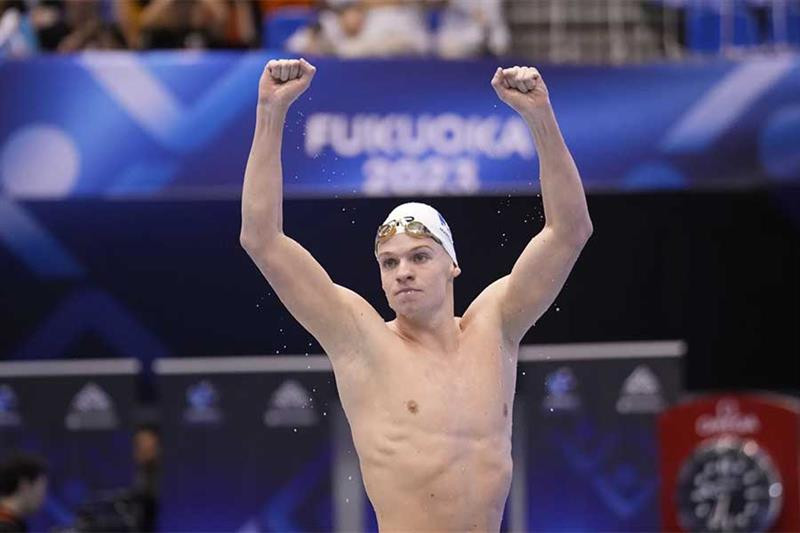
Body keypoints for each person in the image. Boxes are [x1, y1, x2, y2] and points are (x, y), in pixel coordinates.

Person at [240, 58, 592, 531]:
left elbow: (569, 231)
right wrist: (270, 112)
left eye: (420, 257)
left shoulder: (497, 325)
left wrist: (540, 117)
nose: (403, 272)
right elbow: (262, 238)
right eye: (390, 263)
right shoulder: (362, 340)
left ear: (452, 266)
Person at [0, 452, 48, 532]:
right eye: (41, 489)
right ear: (25, 486)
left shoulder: (12, 524)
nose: (43, 497)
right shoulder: (6, 528)